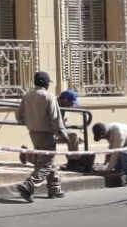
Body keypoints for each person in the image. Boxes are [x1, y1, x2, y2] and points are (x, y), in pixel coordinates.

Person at [14, 71, 66, 202]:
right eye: (48, 82)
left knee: (45, 160)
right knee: (46, 163)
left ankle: (54, 188)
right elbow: (55, 117)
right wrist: (61, 132)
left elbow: (18, 115)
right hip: (47, 133)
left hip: (33, 132)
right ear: (45, 83)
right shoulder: (49, 96)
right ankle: (29, 185)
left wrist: (25, 120)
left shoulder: (27, 96)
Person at [92, 121, 127, 185]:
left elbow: (116, 152)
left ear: (104, 133)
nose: (104, 139)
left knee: (124, 153)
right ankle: (122, 170)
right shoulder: (107, 129)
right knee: (117, 165)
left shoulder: (119, 133)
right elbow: (113, 148)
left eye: (103, 137)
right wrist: (109, 155)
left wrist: (108, 170)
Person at [58, 90, 95, 173]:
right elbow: (56, 123)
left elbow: (64, 124)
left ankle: (73, 162)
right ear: (65, 100)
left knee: (74, 137)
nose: (72, 105)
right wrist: (66, 134)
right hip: (49, 132)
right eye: (71, 102)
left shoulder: (65, 106)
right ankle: (72, 163)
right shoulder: (54, 105)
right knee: (73, 137)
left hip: (59, 131)